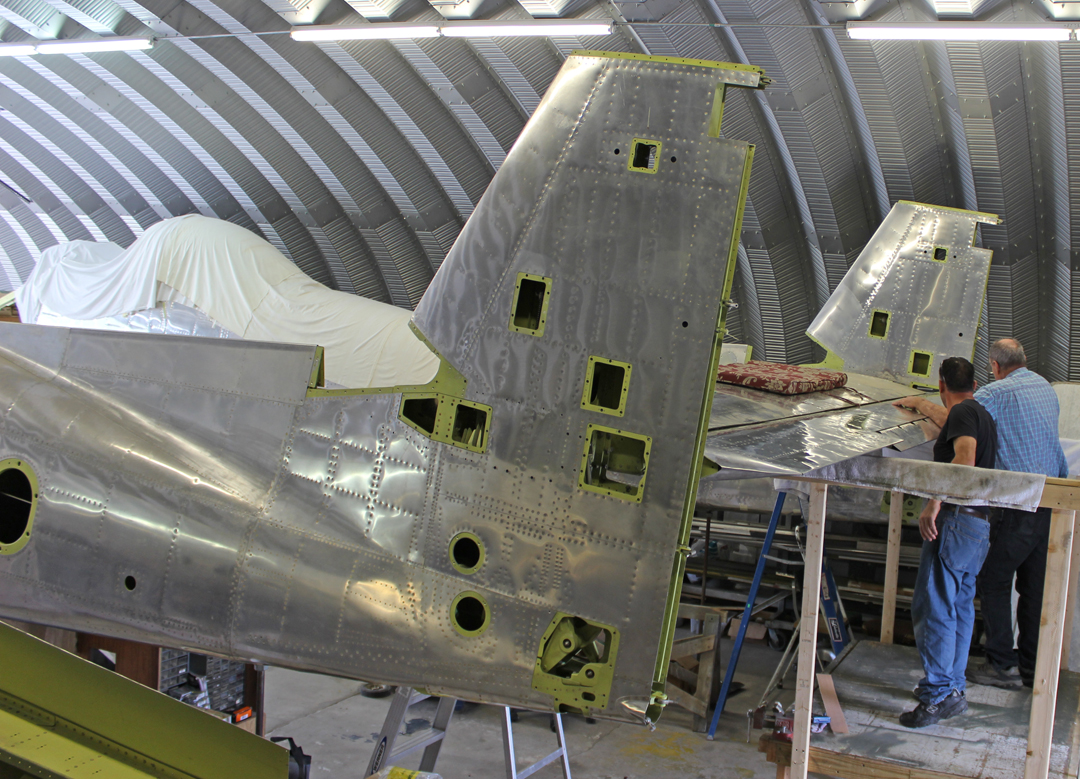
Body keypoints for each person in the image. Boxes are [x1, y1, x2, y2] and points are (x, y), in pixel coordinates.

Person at [893, 357, 996, 727]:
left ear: (941, 384)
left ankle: (937, 694)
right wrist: (920, 404)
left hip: (954, 520)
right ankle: (952, 688)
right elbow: (950, 423)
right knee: (959, 607)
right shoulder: (977, 411)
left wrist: (933, 502)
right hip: (978, 526)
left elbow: (963, 459)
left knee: (933, 606)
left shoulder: (965, 415)